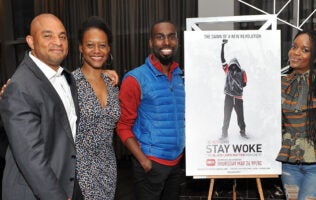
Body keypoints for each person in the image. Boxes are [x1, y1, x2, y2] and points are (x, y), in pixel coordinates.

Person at [0, 13, 80, 200]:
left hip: (64, 182)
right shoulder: (20, 87)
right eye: (47, 35)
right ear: (31, 41)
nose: (58, 42)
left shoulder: (67, 77)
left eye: (62, 36)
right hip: (35, 192)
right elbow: (31, 158)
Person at [117, 20, 185, 200]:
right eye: (160, 37)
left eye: (171, 37)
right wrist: (144, 161)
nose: (166, 42)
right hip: (150, 164)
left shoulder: (180, 76)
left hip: (176, 163)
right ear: (150, 43)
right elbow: (123, 126)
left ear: (177, 41)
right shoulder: (135, 78)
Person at [276, 30, 316, 200]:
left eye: (305, 50)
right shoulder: (282, 83)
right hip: (289, 164)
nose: (295, 53)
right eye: (294, 47)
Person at [73, 16, 120, 199]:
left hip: (108, 168)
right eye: (90, 45)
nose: (97, 51)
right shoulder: (69, 83)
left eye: (102, 45)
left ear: (108, 49)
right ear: (81, 48)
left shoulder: (112, 82)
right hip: (79, 171)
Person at [219, 39, 248, 140]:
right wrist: (222, 46)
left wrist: (237, 84)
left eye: (235, 66)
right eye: (232, 66)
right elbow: (222, 58)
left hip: (238, 98)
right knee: (226, 117)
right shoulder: (227, 70)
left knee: (240, 117)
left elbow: (244, 84)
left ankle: (243, 132)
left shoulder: (242, 72)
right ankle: (224, 134)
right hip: (229, 97)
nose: (234, 68)